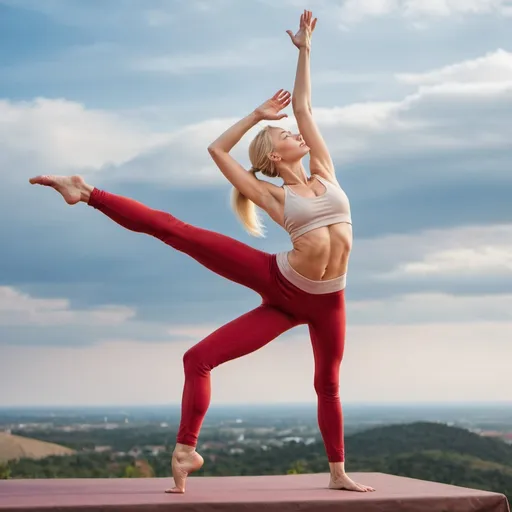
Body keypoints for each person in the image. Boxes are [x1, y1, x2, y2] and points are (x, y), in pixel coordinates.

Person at [29, 9, 374, 495]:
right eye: (283, 135)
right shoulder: (274, 196)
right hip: (278, 281)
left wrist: (305, 52)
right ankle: (85, 192)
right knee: (179, 237)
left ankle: (337, 473)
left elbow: (305, 108)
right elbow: (217, 150)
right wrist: (256, 116)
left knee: (325, 384)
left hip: (329, 300)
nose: (294, 133)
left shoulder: (326, 172)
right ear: (274, 157)